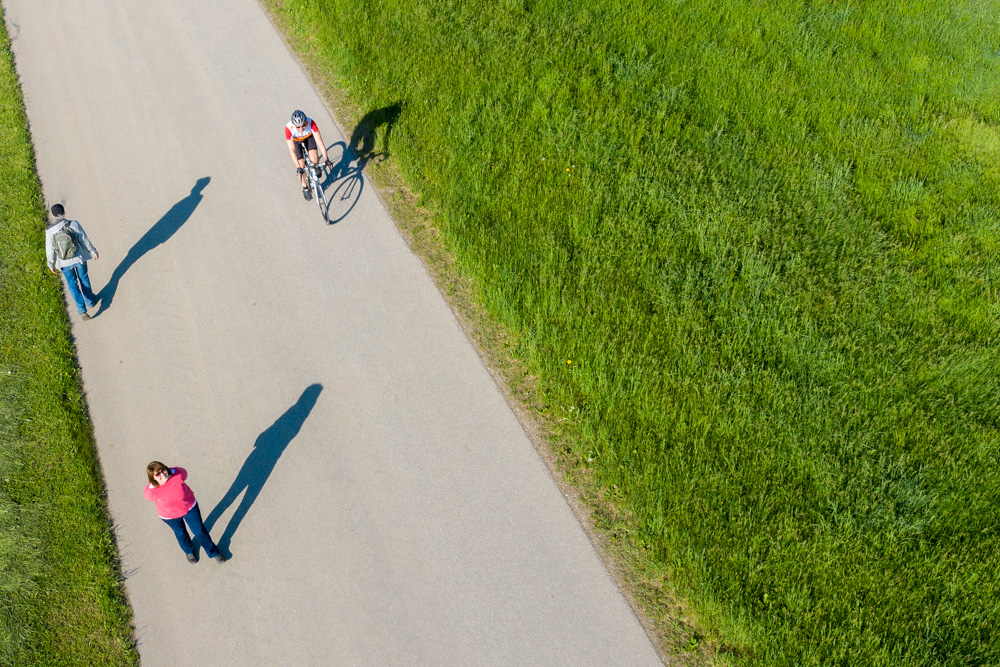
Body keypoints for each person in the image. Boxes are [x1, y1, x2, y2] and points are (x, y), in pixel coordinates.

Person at [144, 462, 227, 564]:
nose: (162, 474)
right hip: (170, 516)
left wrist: (171, 471)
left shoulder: (177, 474)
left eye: (163, 470)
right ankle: (188, 551)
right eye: (157, 474)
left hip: (189, 507)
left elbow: (184, 472)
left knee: (199, 531)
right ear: (153, 479)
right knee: (180, 533)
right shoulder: (151, 491)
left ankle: (213, 552)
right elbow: (148, 497)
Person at [45, 204, 100, 320]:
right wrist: (93, 251)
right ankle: (90, 301)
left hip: (63, 263)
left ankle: (81, 310)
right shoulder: (73, 224)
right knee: (84, 279)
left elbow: (50, 251)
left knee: (72, 285)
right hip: (79, 259)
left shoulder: (49, 232)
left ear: (52, 215)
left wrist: (51, 264)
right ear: (64, 212)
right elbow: (84, 239)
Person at [285, 109, 332, 200]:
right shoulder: (288, 128)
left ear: (306, 121)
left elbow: (320, 143)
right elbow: (292, 150)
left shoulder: (311, 123)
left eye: (303, 125)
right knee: (301, 166)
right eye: (298, 127)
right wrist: (298, 167)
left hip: (308, 138)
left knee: (314, 158)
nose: (301, 129)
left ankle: (316, 166)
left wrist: (326, 159)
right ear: (294, 125)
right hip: (296, 142)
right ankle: (305, 188)